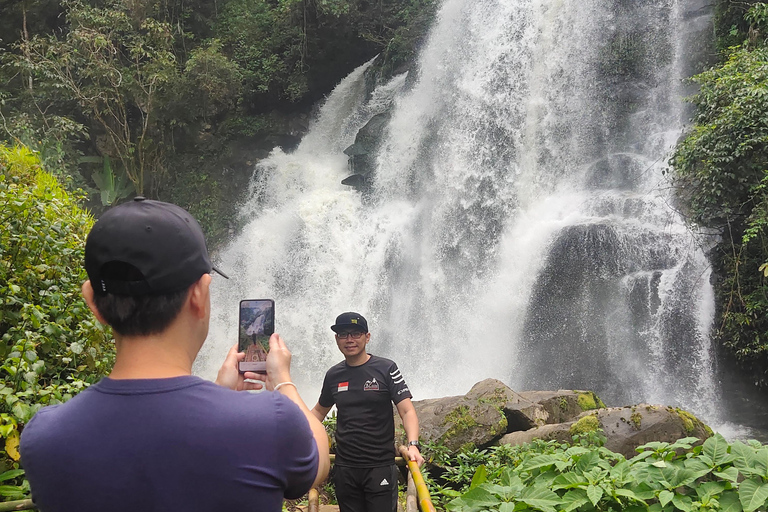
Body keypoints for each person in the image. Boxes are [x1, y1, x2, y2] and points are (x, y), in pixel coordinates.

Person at [19, 197, 330, 512]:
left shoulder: (45, 437)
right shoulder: (268, 421)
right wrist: (282, 381)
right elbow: (317, 459)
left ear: (93, 302)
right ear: (199, 294)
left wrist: (220, 392)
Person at [311, 312, 424, 512]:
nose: (349, 340)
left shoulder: (386, 368)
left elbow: (407, 411)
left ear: (367, 337)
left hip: (379, 465)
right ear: (337, 339)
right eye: (343, 334)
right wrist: (291, 432)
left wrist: (413, 445)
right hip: (345, 468)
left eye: (356, 334)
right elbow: (319, 412)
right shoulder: (333, 375)